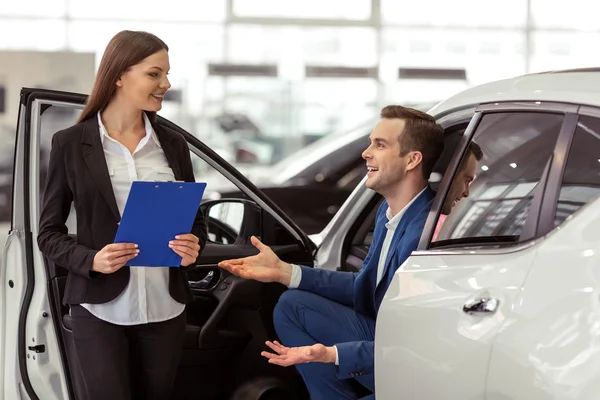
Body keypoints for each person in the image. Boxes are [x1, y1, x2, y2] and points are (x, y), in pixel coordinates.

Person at [219, 105, 445, 399]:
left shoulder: (425, 231)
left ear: (412, 160)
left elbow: (413, 343)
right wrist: (285, 272)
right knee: (292, 304)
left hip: (409, 358)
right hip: (385, 336)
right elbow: (365, 285)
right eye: (369, 143)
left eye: (380, 145)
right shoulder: (388, 213)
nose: (366, 153)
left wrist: (332, 354)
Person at [37, 30, 207, 400]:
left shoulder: (173, 144)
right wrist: (91, 259)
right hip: (100, 308)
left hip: (166, 307)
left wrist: (194, 246)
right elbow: (47, 233)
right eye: (154, 74)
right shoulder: (70, 143)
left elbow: (194, 221)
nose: (166, 83)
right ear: (119, 75)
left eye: (166, 74)